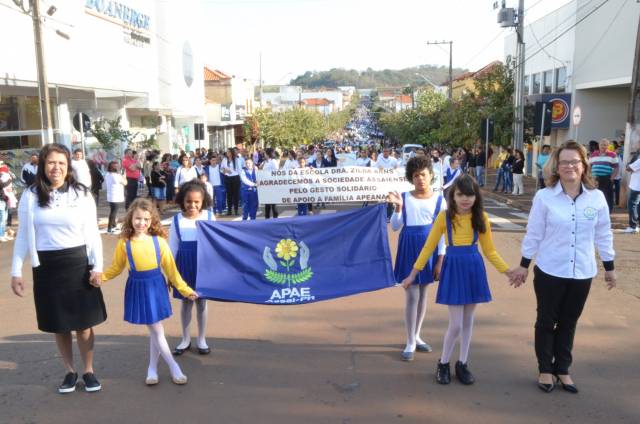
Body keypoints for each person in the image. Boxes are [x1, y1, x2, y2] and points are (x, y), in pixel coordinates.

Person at [510, 140, 616, 394]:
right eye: (564, 162)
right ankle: (545, 368)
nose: (570, 166)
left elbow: (604, 234)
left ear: (583, 166)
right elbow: (534, 233)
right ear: (557, 167)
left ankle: (563, 369)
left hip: (582, 271)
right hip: (550, 270)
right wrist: (524, 265)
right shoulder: (545, 197)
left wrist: (610, 266)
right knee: (546, 320)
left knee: (569, 322)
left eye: (574, 162)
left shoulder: (597, 198)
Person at [10, 143, 106, 394]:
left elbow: (93, 233)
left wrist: (97, 266)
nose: (56, 167)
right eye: (51, 162)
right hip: (47, 267)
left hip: (77, 263)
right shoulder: (30, 195)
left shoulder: (81, 194)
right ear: (42, 165)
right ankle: (70, 371)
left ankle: (88, 370)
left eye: (61, 163)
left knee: (84, 324)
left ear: (68, 167)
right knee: (59, 323)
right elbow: (22, 236)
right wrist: (16, 271)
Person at [401, 174, 514, 385]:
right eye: (461, 194)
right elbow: (428, 247)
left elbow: (489, 251)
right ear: (452, 196)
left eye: (470, 195)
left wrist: (508, 272)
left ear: (475, 197)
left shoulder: (481, 218)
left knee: (468, 321)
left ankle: (462, 363)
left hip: (473, 267)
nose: (465, 199)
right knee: (455, 325)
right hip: (453, 268)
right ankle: (443, 363)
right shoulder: (444, 217)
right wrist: (413, 274)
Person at [99, 198, 197, 386]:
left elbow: (171, 270)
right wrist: (101, 277)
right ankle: (171, 366)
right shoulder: (124, 243)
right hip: (138, 287)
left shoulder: (159, 242)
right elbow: (116, 268)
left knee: (155, 330)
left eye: (146, 219)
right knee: (156, 329)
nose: (141, 223)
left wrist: (185, 290)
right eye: (137, 218)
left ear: (152, 220)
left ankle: (155, 368)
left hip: (156, 287)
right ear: (130, 218)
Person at [388, 156, 446, 362]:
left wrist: (440, 258)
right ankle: (410, 341)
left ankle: (417, 335)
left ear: (431, 176)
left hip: (429, 250)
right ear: (410, 178)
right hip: (409, 247)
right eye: (415, 175)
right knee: (411, 295)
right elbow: (395, 226)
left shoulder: (440, 200)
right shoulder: (404, 197)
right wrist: (397, 208)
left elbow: (442, 233)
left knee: (423, 295)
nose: (420, 179)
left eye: (423, 174)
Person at [169, 182, 214, 356]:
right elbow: (172, 248)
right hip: (184, 265)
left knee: (202, 302)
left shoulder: (209, 217)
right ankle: (185, 338)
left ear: (203, 201)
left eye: (197, 202)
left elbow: (217, 243)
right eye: (188, 201)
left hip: (204, 265)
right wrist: (170, 273)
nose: (192, 205)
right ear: (182, 201)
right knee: (186, 302)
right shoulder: (176, 220)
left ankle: (201, 339)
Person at [589, 138, 618, 213]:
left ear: (608, 146)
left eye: (605, 145)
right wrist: (589, 176)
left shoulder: (612, 155)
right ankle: (595, 210)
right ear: (599, 145)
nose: (603, 146)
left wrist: (612, 178)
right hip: (594, 178)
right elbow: (589, 166)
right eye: (602, 144)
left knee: (607, 196)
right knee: (594, 195)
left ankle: (607, 212)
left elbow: (616, 167)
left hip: (606, 178)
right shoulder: (593, 154)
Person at [105, 161, 126, 234]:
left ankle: (113, 225)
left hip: (111, 196)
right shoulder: (116, 176)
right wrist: (121, 174)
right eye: (117, 166)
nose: (119, 167)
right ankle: (109, 228)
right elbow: (125, 182)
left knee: (113, 211)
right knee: (113, 212)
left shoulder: (108, 174)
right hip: (115, 196)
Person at [623, 145, 640, 233]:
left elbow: (628, 168)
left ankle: (633, 226)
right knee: (638, 205)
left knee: (632, 205)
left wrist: (629, 163)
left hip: (637, 186)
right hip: (637, 185)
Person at [221, 148, 243, 216]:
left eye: (228, 152)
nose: (227, 153)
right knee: (229, 195)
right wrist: (225, 171)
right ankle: (229, 210)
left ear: (231, 153)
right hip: (227, 178)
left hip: (236, 178)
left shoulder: (237, 159)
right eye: (227, 152)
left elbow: (240, 170)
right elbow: (221, 169)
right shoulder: (224, 159)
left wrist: (240, 178)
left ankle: (236, 210)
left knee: (236, 195)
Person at [262, 148, 280, 219]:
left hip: (272, 184)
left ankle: (275, 217)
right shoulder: (265, 162)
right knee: (267, 203)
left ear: (268, 154)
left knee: (273, 203)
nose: (264, 154)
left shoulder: (273, 161)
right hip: (266, 184)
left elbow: (276, 171)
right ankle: (267, 217)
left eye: (265, 153)